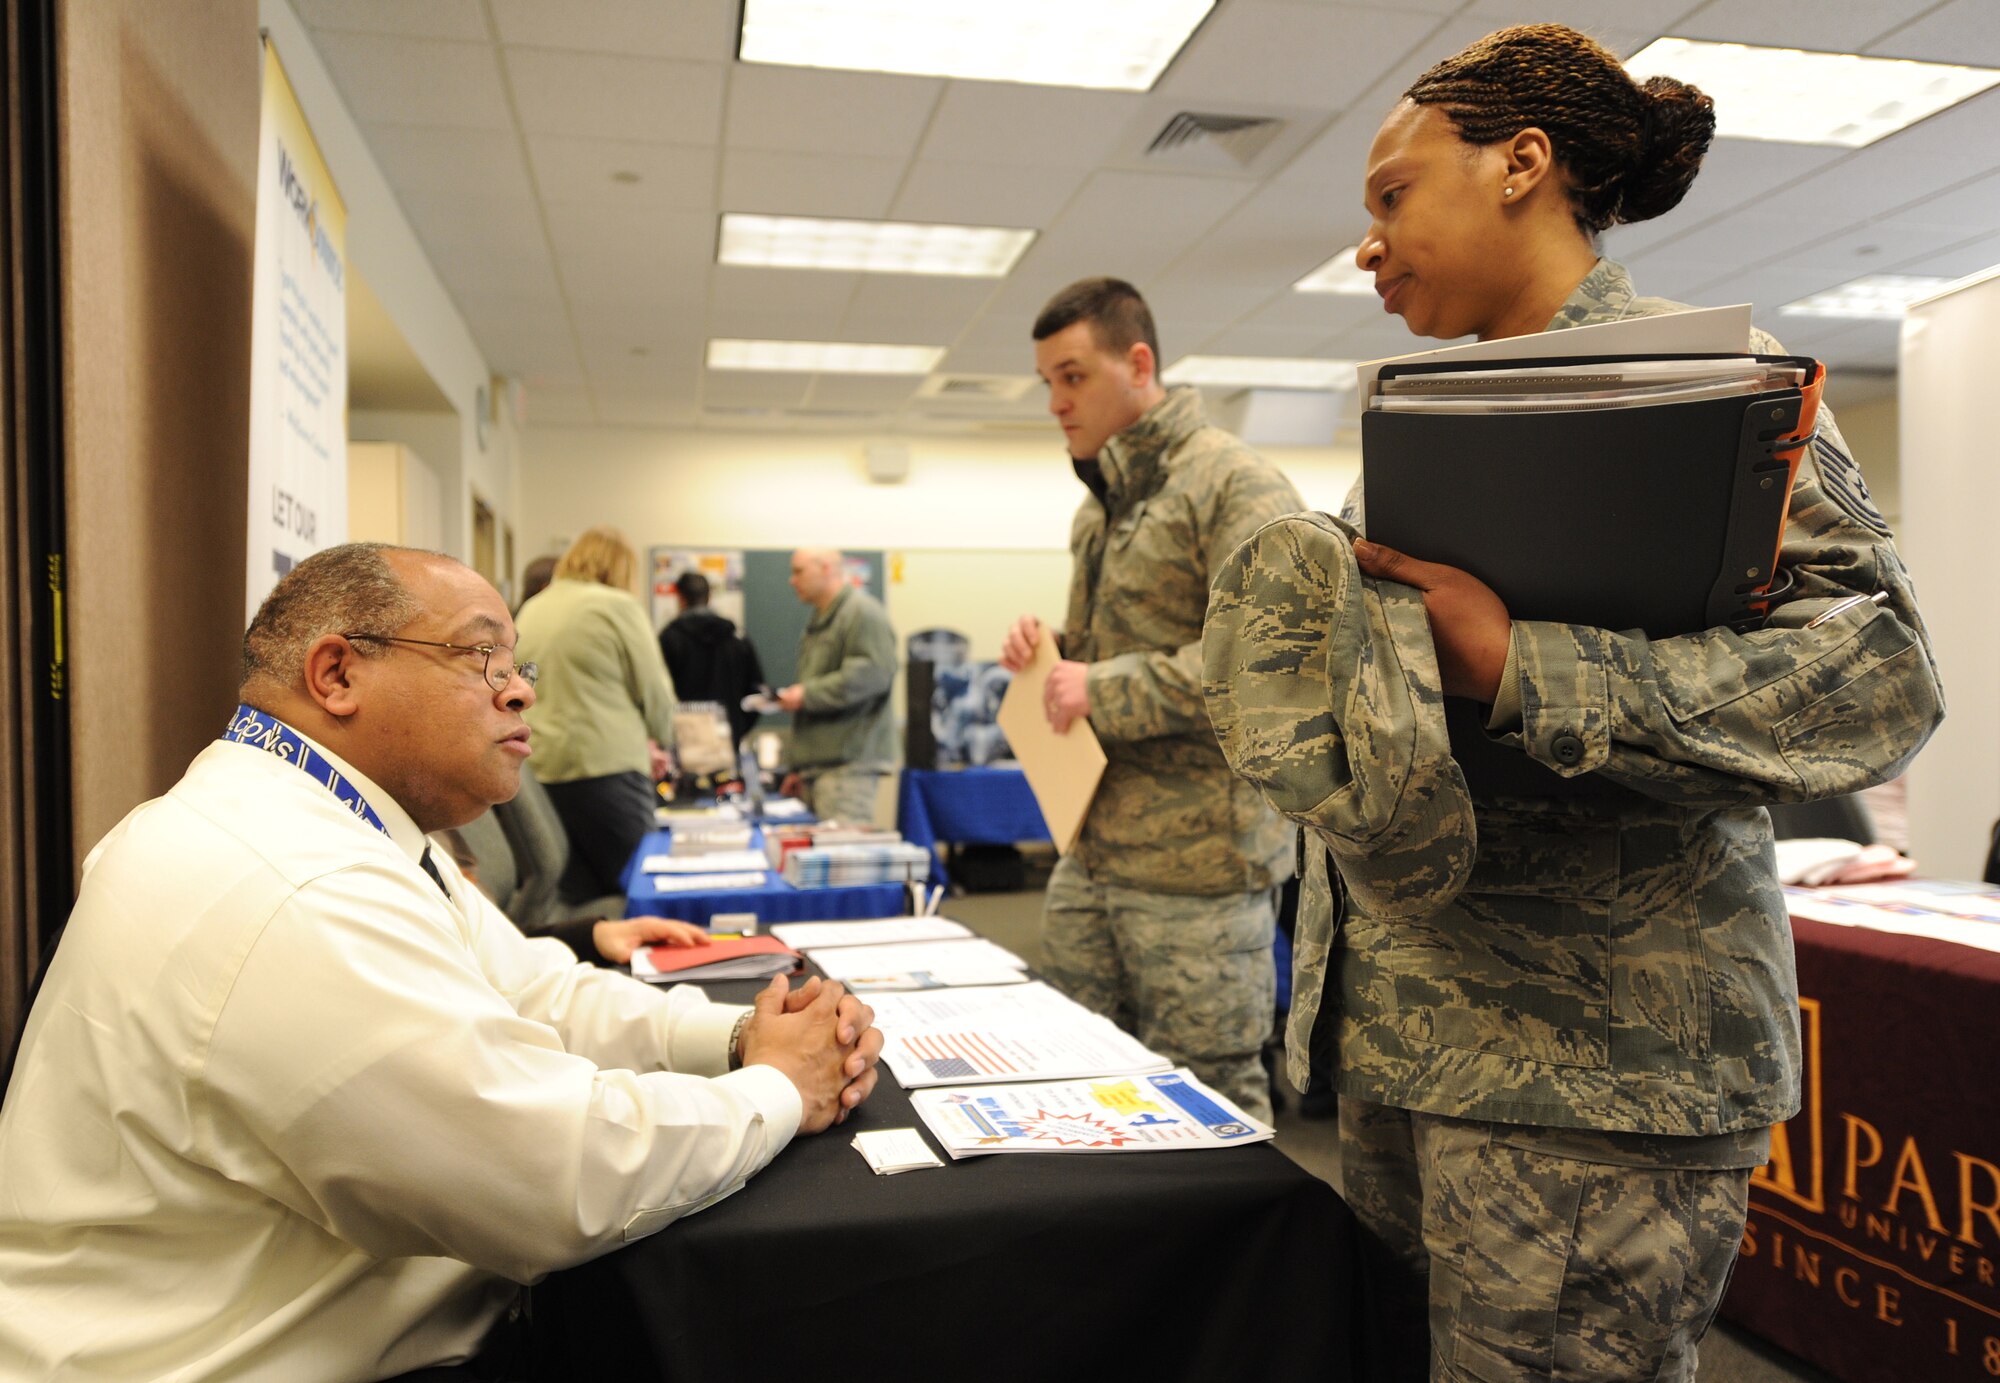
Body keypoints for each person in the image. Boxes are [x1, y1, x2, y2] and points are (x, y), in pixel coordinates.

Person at [1202, 25, 1944, 1380]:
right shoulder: (1428, 427)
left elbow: (1880, 672)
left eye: (1389, 196)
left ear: (1519, 166)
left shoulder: (1706, 385)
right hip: (1418, 1039)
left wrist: (1526, 664)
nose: (1369, 244)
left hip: (1598, 1076)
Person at [0, 542, 882, 1381]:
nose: (519, 695)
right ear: (337, 673)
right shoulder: (294, 882)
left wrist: (738, 1037)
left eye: (517, 667)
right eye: (481, 659)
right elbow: (556, 1174)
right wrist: (777, 1087)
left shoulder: (331, 819)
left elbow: (540, 989)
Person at [998, 277, 1305, 1123]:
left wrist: (1100, 686)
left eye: (1072, 376)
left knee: (1210, 1098)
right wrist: (1048, 661)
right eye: (1047, 384)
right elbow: (1097, 664)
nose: (1056, 402)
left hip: (1199, 863)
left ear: (1138, 363)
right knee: (1076, 1073)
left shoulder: (1235, 483)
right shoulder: (1095, 512)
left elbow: (1272, 663)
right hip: (1094, 845)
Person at [515, 527, 677, 903]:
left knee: (581, 896)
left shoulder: (534, 607)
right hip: (607, 766)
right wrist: (662, 741)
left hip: (543, 769)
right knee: (642, 887)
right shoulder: (615, 605)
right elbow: (654, 691)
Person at [775, 548, 897, 824]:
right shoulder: (821, 619)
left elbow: (874, 674)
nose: (791, 581)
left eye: (799, 571)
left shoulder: (861, 613)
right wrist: (798, 766)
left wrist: (807, 694)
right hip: (818, 768)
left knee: (841, 857)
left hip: (846, 769)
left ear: (827, 568)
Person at [659, 570, 766, 749]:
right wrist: (737, 728)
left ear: (680, 598)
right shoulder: (736, 637)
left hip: (683, 740)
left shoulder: (669, 639)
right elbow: (755, 692)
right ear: (709, 596)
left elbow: (659, 692)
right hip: (728, 738)